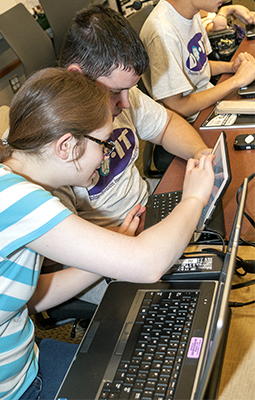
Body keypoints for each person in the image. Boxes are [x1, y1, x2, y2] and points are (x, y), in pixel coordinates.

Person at [0, 68, 214, 400]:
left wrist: (100, 260)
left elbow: (29, 296)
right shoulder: (14, 198)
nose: (106, 154)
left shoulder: (5, 179)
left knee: (148, 377)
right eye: (104, 143)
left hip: (24, 362)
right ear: (67, 146)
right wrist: (194, 196)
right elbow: (149, 263)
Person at [52, 4, 213, 304]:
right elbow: (68, 249)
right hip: (100, 256)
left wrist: (201, 154)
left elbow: (166, 124)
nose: (126, 103)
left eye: (130, 90)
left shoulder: (119, 92)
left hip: (142, 215)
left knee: (217, 248)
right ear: (77, 77)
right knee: (190, 295)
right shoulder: (52, 144)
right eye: (116, 92)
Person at [140, 0, 255, 122]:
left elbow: (199, 66)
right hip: (193, 119)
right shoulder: (163, 31)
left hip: (208, 102)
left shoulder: (190, 13)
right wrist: (236, 81)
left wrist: (232, 67)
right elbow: (176, 107)